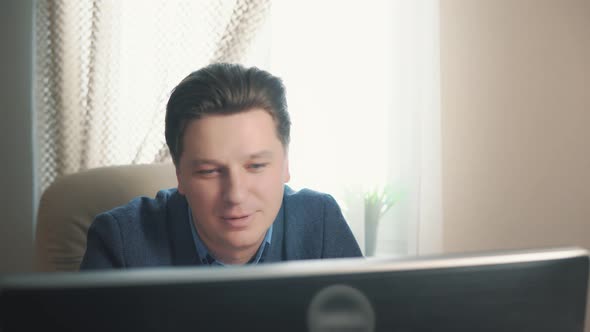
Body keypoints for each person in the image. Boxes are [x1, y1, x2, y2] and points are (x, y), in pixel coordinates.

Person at [80, 63, 362, 269]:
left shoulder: (321, 223)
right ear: (179, 173)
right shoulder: (120, 240)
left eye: (256, 166)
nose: (236, 195)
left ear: (286, 163)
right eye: (209, 171)